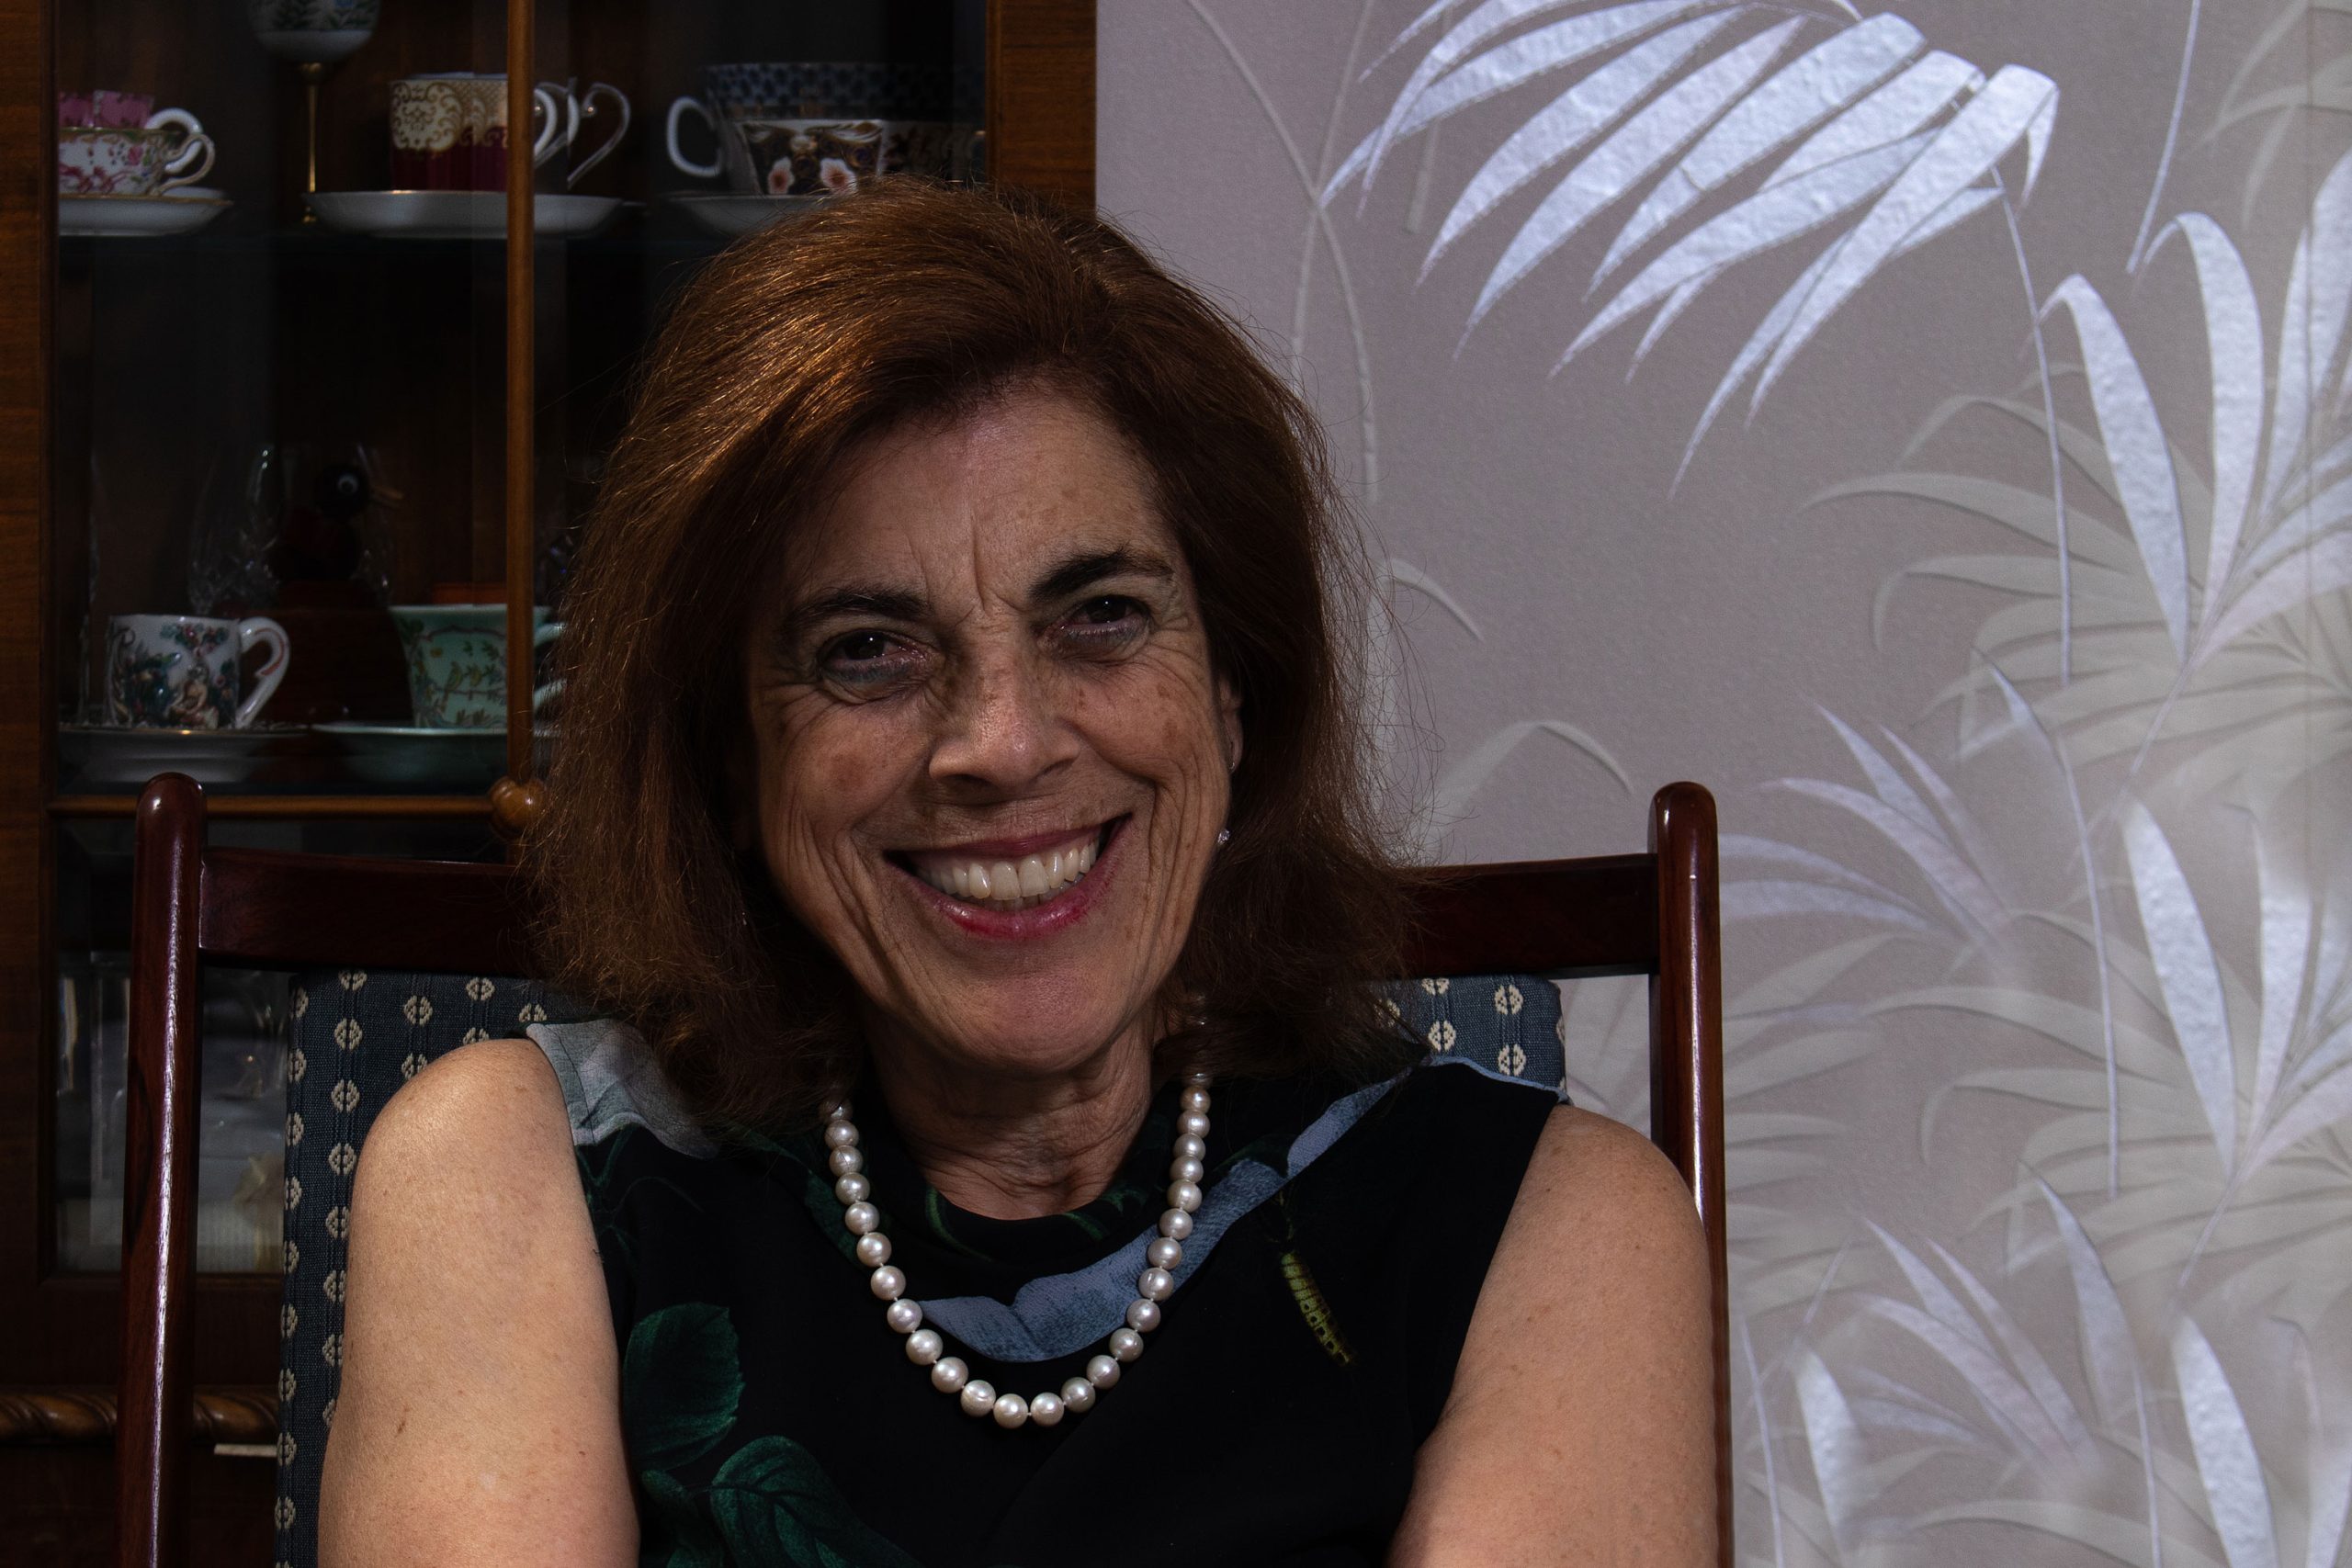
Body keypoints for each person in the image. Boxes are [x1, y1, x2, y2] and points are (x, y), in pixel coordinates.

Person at [319, 181, 1712, 1567]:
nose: (1000, 743)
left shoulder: (1549, 1232)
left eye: (1100, 616)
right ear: (734, 757)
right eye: (868, 649)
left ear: (1233, 697)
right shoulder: (515, 1181)